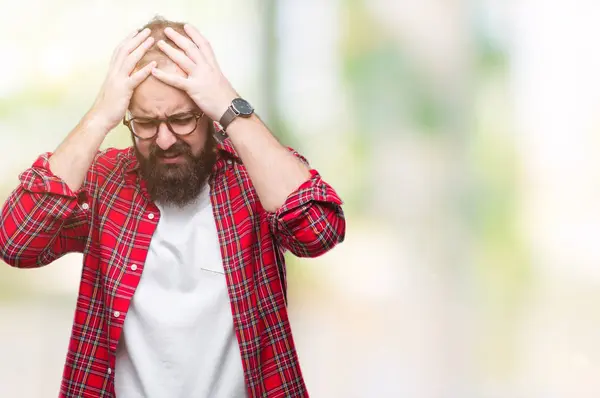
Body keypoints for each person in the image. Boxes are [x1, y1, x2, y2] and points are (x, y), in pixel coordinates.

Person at [0, 16, 345, 398]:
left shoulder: (254, 175)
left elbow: (319, 232)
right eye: (145, 123)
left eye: (182, 119)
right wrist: (99, 116)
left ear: (209, 113)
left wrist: (230, 105)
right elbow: (17, 242)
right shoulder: (105, 182)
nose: (164, 140)